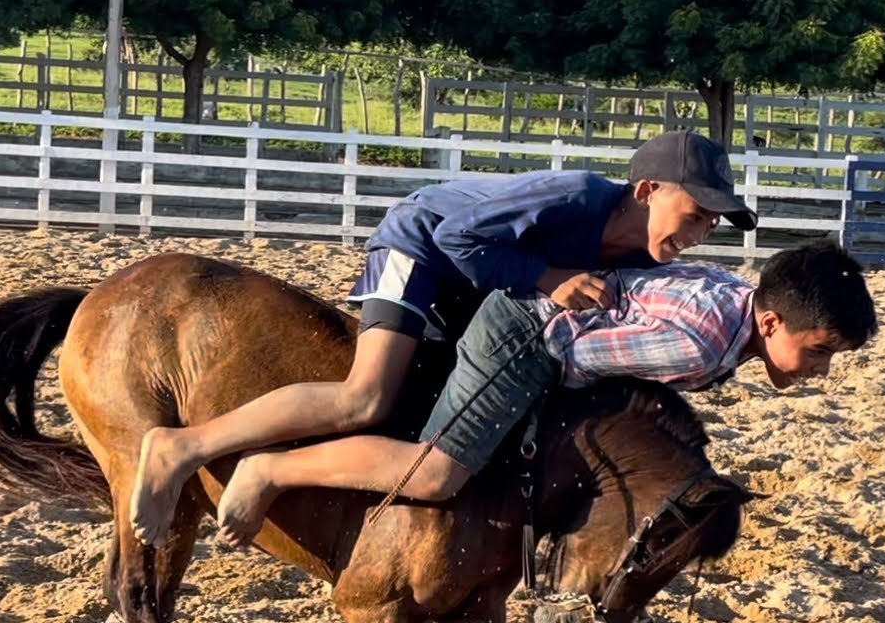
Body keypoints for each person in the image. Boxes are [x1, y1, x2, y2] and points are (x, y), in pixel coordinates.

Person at [129, 130, 758, 546]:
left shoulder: (648, 258)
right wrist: (549, 276)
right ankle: (183, 447)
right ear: (647, 190)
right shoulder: (574, 197)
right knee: (365, 398)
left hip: (481, 288)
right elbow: (457, 234)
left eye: (714, 223)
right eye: (695, 213)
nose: (701, 231)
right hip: (421, 245)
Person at [212, 241, 878, 546]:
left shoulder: (735, 313)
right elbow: (577, 360)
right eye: (818, 349)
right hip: (527, 333)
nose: (818, 368)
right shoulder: (705, 343)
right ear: (771, 321)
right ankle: (268, 466)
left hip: (552, 325)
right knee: (439, 473)